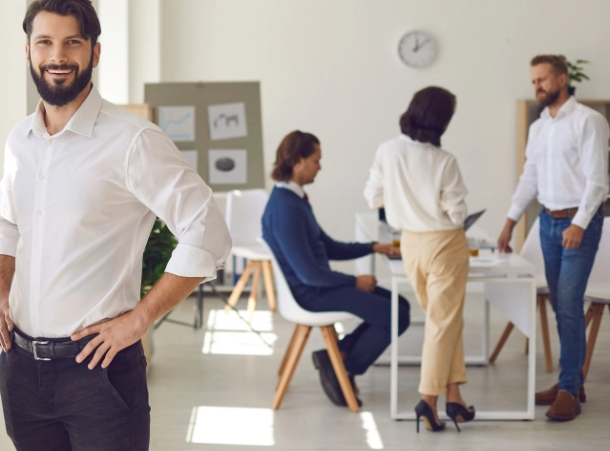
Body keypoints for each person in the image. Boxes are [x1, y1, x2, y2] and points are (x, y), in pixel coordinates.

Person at [0, 0, 231, 451]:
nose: (57, 56)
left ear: (95, 52)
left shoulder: (133, 140)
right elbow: (4, 221)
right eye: (44, 43)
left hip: (98, 372)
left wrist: (140, 319)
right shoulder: (20, 138)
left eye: (72, 43)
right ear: (28, 52)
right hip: (19, 368)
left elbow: (208, 230)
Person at [261, 130, 409, 408]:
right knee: (395, 316)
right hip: (310, 293)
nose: (320, 166)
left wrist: (373, 247)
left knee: (400, 305)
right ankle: (346, 367)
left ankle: (338, 354)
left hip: (318, 285)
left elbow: (326, 246)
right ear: (298, 161)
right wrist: (354, 282)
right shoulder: (285, 209)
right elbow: (308, 273)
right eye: (316, 160)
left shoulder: (295, 200)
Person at [497, 55, 609, 422]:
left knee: (568, 303)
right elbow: (530, 176)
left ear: (562, 79)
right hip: (546, 224)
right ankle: (571, 383)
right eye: (533, 82)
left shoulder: (589, 121)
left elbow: (598, 181)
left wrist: (579, 223)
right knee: (563, 306)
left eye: (543, 80)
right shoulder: (540, 126)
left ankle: (568, 390)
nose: (537, 87)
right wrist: (511, 221)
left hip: (579, 225)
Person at [364, 86, 475, 433]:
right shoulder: (444, 161)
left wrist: (405, 204)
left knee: (444, 321)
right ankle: (428, 400)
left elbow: (373, 197)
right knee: (443, 323)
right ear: (442, 120)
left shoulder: (387, 150)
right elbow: (457, 214)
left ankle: (454, 397)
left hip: (409, 245)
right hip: (445, 244)